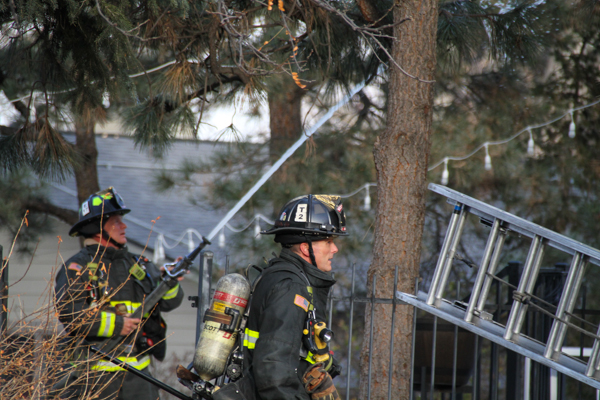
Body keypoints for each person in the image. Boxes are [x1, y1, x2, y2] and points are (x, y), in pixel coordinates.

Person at [54, 187, 185, 399]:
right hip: (95, 378)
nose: (124, 226)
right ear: (97, 228)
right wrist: (117, 324)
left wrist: (170, 282)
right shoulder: (78, 268)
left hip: (139, 379)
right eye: (116, 222)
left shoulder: (139, 264)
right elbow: (71, 314)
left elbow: (170, 302)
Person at [239, 194, 347, 400]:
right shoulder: (291, 288)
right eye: (328, 241)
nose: (335, 249)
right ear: (306, 248)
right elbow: (274, 371)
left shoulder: (287, 278)